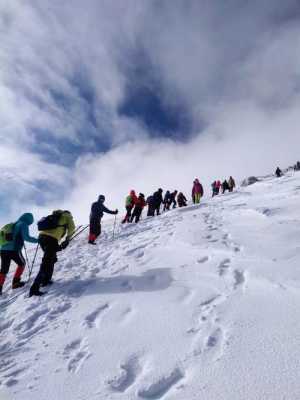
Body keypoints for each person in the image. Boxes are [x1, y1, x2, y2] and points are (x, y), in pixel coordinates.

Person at [29, 210, 76, 297]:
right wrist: (68, 239)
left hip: (42, 238)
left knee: (52, 259)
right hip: (51, 239)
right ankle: (34, 289)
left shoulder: (54, 215)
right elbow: (72, 228)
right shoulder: (67, 216)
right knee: (47, 262)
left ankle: (46, 280)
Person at [0, 213, 38, 296]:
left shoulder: (13, 224)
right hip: (14, 250)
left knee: (4, 269)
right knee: (22, 264)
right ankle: (15, 283)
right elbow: (26, 237)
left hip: (3, 250)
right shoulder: (23, 224)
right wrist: (38, 240)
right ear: (29, 220)